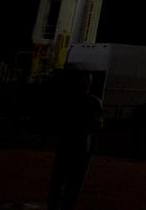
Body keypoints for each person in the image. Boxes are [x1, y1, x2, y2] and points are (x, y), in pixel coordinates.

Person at [47, 69, 103, 210]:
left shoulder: (74, 100)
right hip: (77, 144)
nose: (87, 83)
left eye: (88, 80)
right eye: (85, 80)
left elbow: (97, 125)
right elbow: (97, 125)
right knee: (67, 180)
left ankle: (60, 205)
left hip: (76, 144)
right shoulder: (92, 101)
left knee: (67, 180)